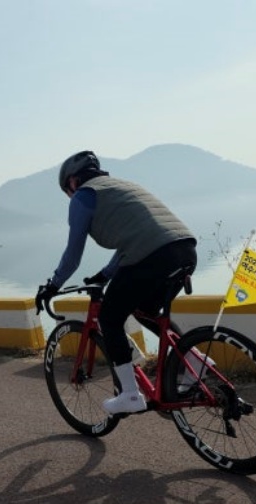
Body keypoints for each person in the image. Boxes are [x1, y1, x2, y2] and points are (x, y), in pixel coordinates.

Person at [35, 150, 197, 414]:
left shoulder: (84, 196)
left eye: (67, 191)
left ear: (73, 181)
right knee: (146, 310)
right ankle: (197, 363)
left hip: (152, 256)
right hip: (185, 248)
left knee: (109, 318)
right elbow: (133, 239)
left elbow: (73, 254)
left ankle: (130, 395)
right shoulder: (123, 186)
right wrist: (105, 275)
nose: (70, 196)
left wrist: (53, 285)